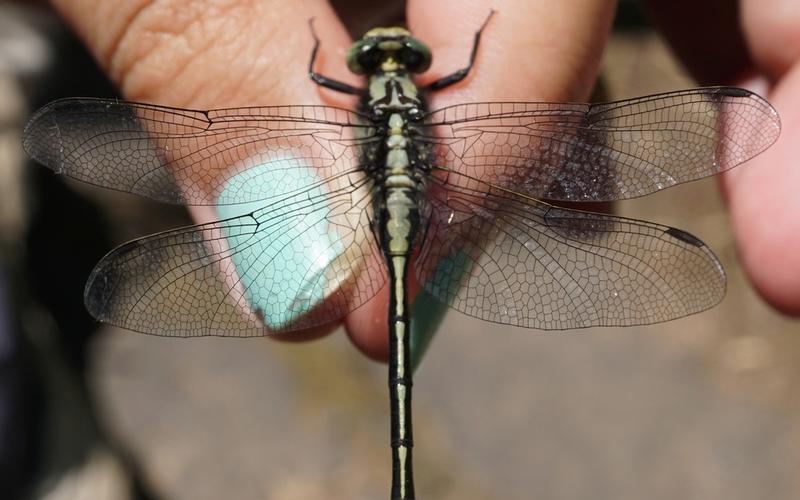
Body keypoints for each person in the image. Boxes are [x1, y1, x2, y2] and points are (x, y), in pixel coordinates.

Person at [43, 0, 800, 360]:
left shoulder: (356, 92)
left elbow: (318, 74)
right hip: (418, 210)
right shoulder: (437, 89)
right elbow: (467, 67)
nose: (390, 58)